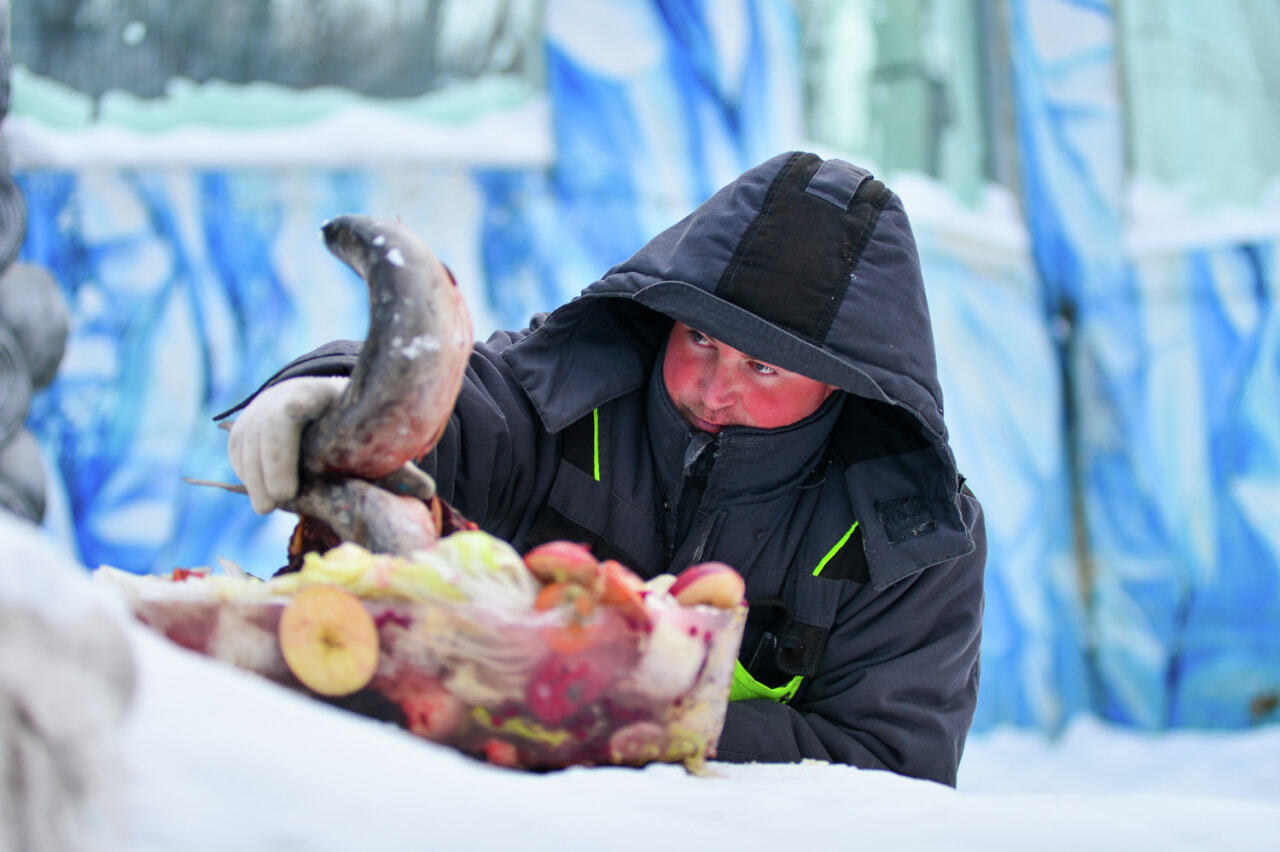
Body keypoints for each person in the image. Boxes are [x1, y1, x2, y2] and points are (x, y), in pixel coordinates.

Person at [223, 151, 986, 786]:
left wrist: (627, 710)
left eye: (762, 367)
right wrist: (330, 396)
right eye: (700, 341)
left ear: (843, 384)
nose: (714, 390)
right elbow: (459, 405)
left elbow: (890, 776)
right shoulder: (564, 398)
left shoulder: (909, 545)